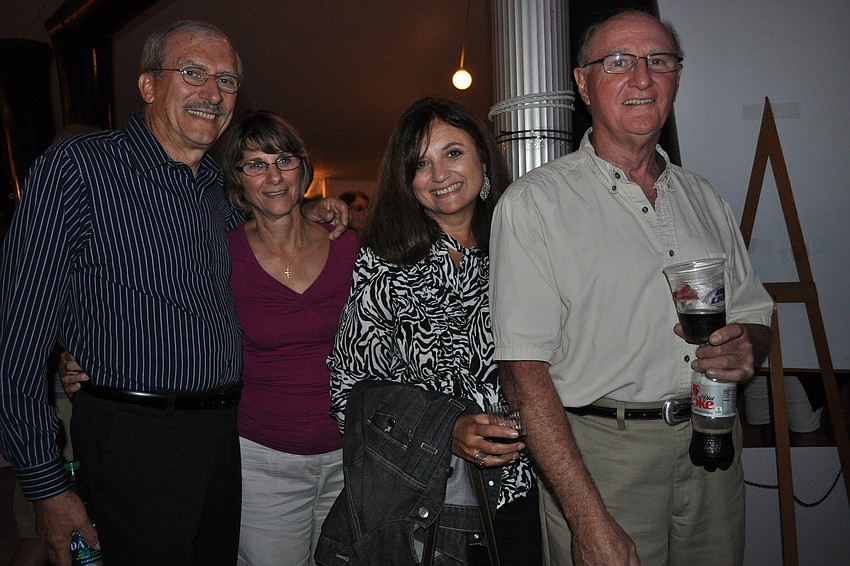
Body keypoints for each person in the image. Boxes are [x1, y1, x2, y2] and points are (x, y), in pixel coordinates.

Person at [0, 20, 346, 566]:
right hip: (133, 437)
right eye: (193, 73)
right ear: (147, 85)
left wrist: (310, 209)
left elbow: (270, 238)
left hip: (224, 436)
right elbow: (17, 338)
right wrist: (45, 484)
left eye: (227, 80)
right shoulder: (80, 169)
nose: (212, 92)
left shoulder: (222, 192)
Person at [489, 9, 773, 566]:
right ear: (582, 82)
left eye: (659, 61)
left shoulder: (704, 198)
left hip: (712, 446)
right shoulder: (534, 204)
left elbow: (755, 316)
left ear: (676, 78)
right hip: (601, 460)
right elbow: (524, 373)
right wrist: (586, 515)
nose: (642, 78)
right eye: (618, 62)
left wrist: (748, 348)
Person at [326, 97, 541, 565]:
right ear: (408, 182)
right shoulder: (386, 264)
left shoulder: (524, 250)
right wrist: (444, 432)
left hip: (529, 486)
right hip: (429, 503)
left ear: (482, 158)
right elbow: (350, 393)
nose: (439, 173)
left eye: (452, 152)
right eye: (421, 163)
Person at [219, 110, 358, 565]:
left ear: (304, 167)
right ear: (239, 181)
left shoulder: (349, 248)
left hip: (350, 455)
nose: (274, 176)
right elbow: (173, 322)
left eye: (284, 159)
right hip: (263, 460)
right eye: (256, 164)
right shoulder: (223, 255)